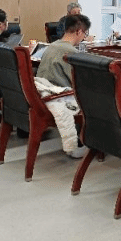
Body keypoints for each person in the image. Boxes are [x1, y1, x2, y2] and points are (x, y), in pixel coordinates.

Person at [36, 14, 91, 159]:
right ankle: (89, 142)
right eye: (85, 34)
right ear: (79, 31)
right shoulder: (71, 53)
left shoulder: (51, 46)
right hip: (60, 96)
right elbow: (80, 84)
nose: (84, 38)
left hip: (42, 95)